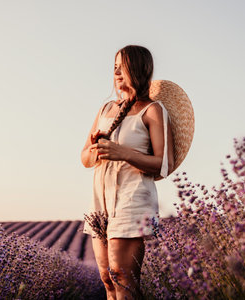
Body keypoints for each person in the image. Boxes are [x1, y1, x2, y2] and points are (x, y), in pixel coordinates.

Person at [81, 45, 175, 299]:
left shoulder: (152, 110)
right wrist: (96, 149)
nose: (117, 73)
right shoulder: (105, 110)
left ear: (138, 70)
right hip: (100, 202)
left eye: (123, 67)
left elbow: (163, 164)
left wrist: (122, 153)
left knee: (122, 278)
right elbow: (85, 158)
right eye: (114, 67)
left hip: (132, 199)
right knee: (107, 279)